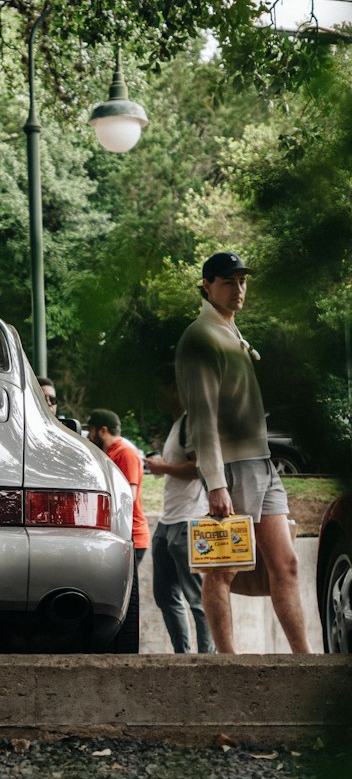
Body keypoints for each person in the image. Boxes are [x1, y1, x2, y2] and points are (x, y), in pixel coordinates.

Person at [174, 250, 310, 654]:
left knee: (285, 565)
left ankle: (305, 660)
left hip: (263, 464)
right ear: (207, 285)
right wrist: (216, 483)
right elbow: (202, 419)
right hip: (232, 468)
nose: (238, 289)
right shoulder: (201, 337)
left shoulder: (230, 331)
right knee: (223, 569)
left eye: (242, 281)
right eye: (228, 281)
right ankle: (228, 663)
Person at [145, 412, 215, 654]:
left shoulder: (192, 421)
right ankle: (181, 657)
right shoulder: (177, 424)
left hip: (190, 519)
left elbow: (198, 468)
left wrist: (162, 467)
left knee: (197, 599)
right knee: (165, 596)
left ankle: (208, 659)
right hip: (167, 520)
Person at [86, 408, 151, 563]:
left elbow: (129, 496)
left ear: (103, 430)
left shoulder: (125, 453)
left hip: (131, 537)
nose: (88, 436)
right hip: (116, 535)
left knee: (128, 588)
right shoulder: (108, 454)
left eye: (91, 430)